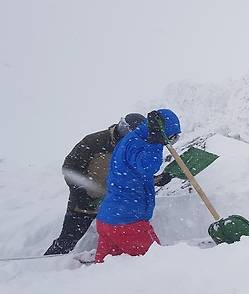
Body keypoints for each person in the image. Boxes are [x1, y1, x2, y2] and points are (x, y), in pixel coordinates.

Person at [44, 113, 167, 255]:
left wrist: (157, 180)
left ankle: (111, 266)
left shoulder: (133, 148)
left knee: (118, 238)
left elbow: (136, 176)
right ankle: (45, 265)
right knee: (68, 240)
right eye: (123, 128)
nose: (123, 133)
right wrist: (82, 191)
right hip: (84, 204)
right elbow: (70, 167)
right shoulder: (95, 141)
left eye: (129, 132)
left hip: (114, 205)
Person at [95, 109, 181, 263]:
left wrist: (158, 179)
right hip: (127, 223)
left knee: (105, 272)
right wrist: (157, 142)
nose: (170, 142)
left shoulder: (131, 140)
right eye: (171, 138)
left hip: (109, 219)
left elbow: (134, 175)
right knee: (156, 263)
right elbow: (148, 167)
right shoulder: (138, 143)